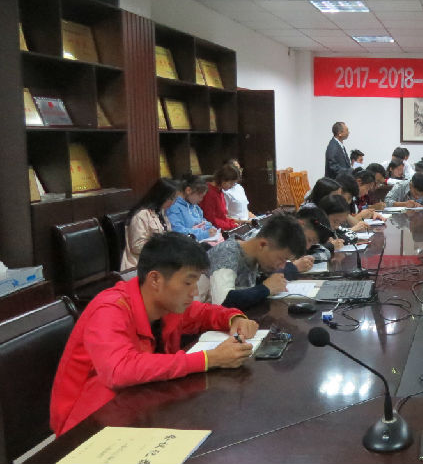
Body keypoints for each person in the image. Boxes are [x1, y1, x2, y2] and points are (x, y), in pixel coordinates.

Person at [50, 232, 259, 435]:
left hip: (141, 406)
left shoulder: (167, 304)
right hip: (88, 426)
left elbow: (204, 313)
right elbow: (119, 370)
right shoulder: (109, 309)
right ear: (155, 280)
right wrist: (208, 359)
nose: (195, 291)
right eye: (188, 282)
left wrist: (235, 319)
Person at [207, 215, 306, 309]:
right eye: (281, 259)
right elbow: (222, 302)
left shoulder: (255, 257)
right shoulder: (226, 252)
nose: (282, 266)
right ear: (263, 245)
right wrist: (266, 288)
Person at [121, 178, 177, 271]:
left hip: (159, 259)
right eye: (171, 198)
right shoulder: (141, 215)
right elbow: (137, 247)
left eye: (174, 199)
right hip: (141, 264)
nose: (173, 202)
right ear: (161, 196)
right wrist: (161, 244)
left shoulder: (161, 211)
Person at [166, 175, 218, 242]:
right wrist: (203, 233)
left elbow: (204, 222)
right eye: (200, 196)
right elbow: (178, 231)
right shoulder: (173, 207)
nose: (201, 199)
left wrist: (210, 228)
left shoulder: (194, 206)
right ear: (188, 190)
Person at [199, 164, 240, 231]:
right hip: (213, 229)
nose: (232, 186)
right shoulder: (209, 193)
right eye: (231, 183)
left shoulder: (219, 191)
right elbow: (211, 220)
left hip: (221, 226)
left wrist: (233, 223)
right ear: (223, 180)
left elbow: (222, 216)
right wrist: (231, 226)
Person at [222, 158, 255, 223]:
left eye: (240, 169)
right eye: (237, 168)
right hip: (236, 225)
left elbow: (245, 210)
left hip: (247, 222)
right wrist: (244, 222)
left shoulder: (239, 187)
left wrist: (254, 218)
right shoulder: (224, 191)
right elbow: (224, 217)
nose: (240, 171)